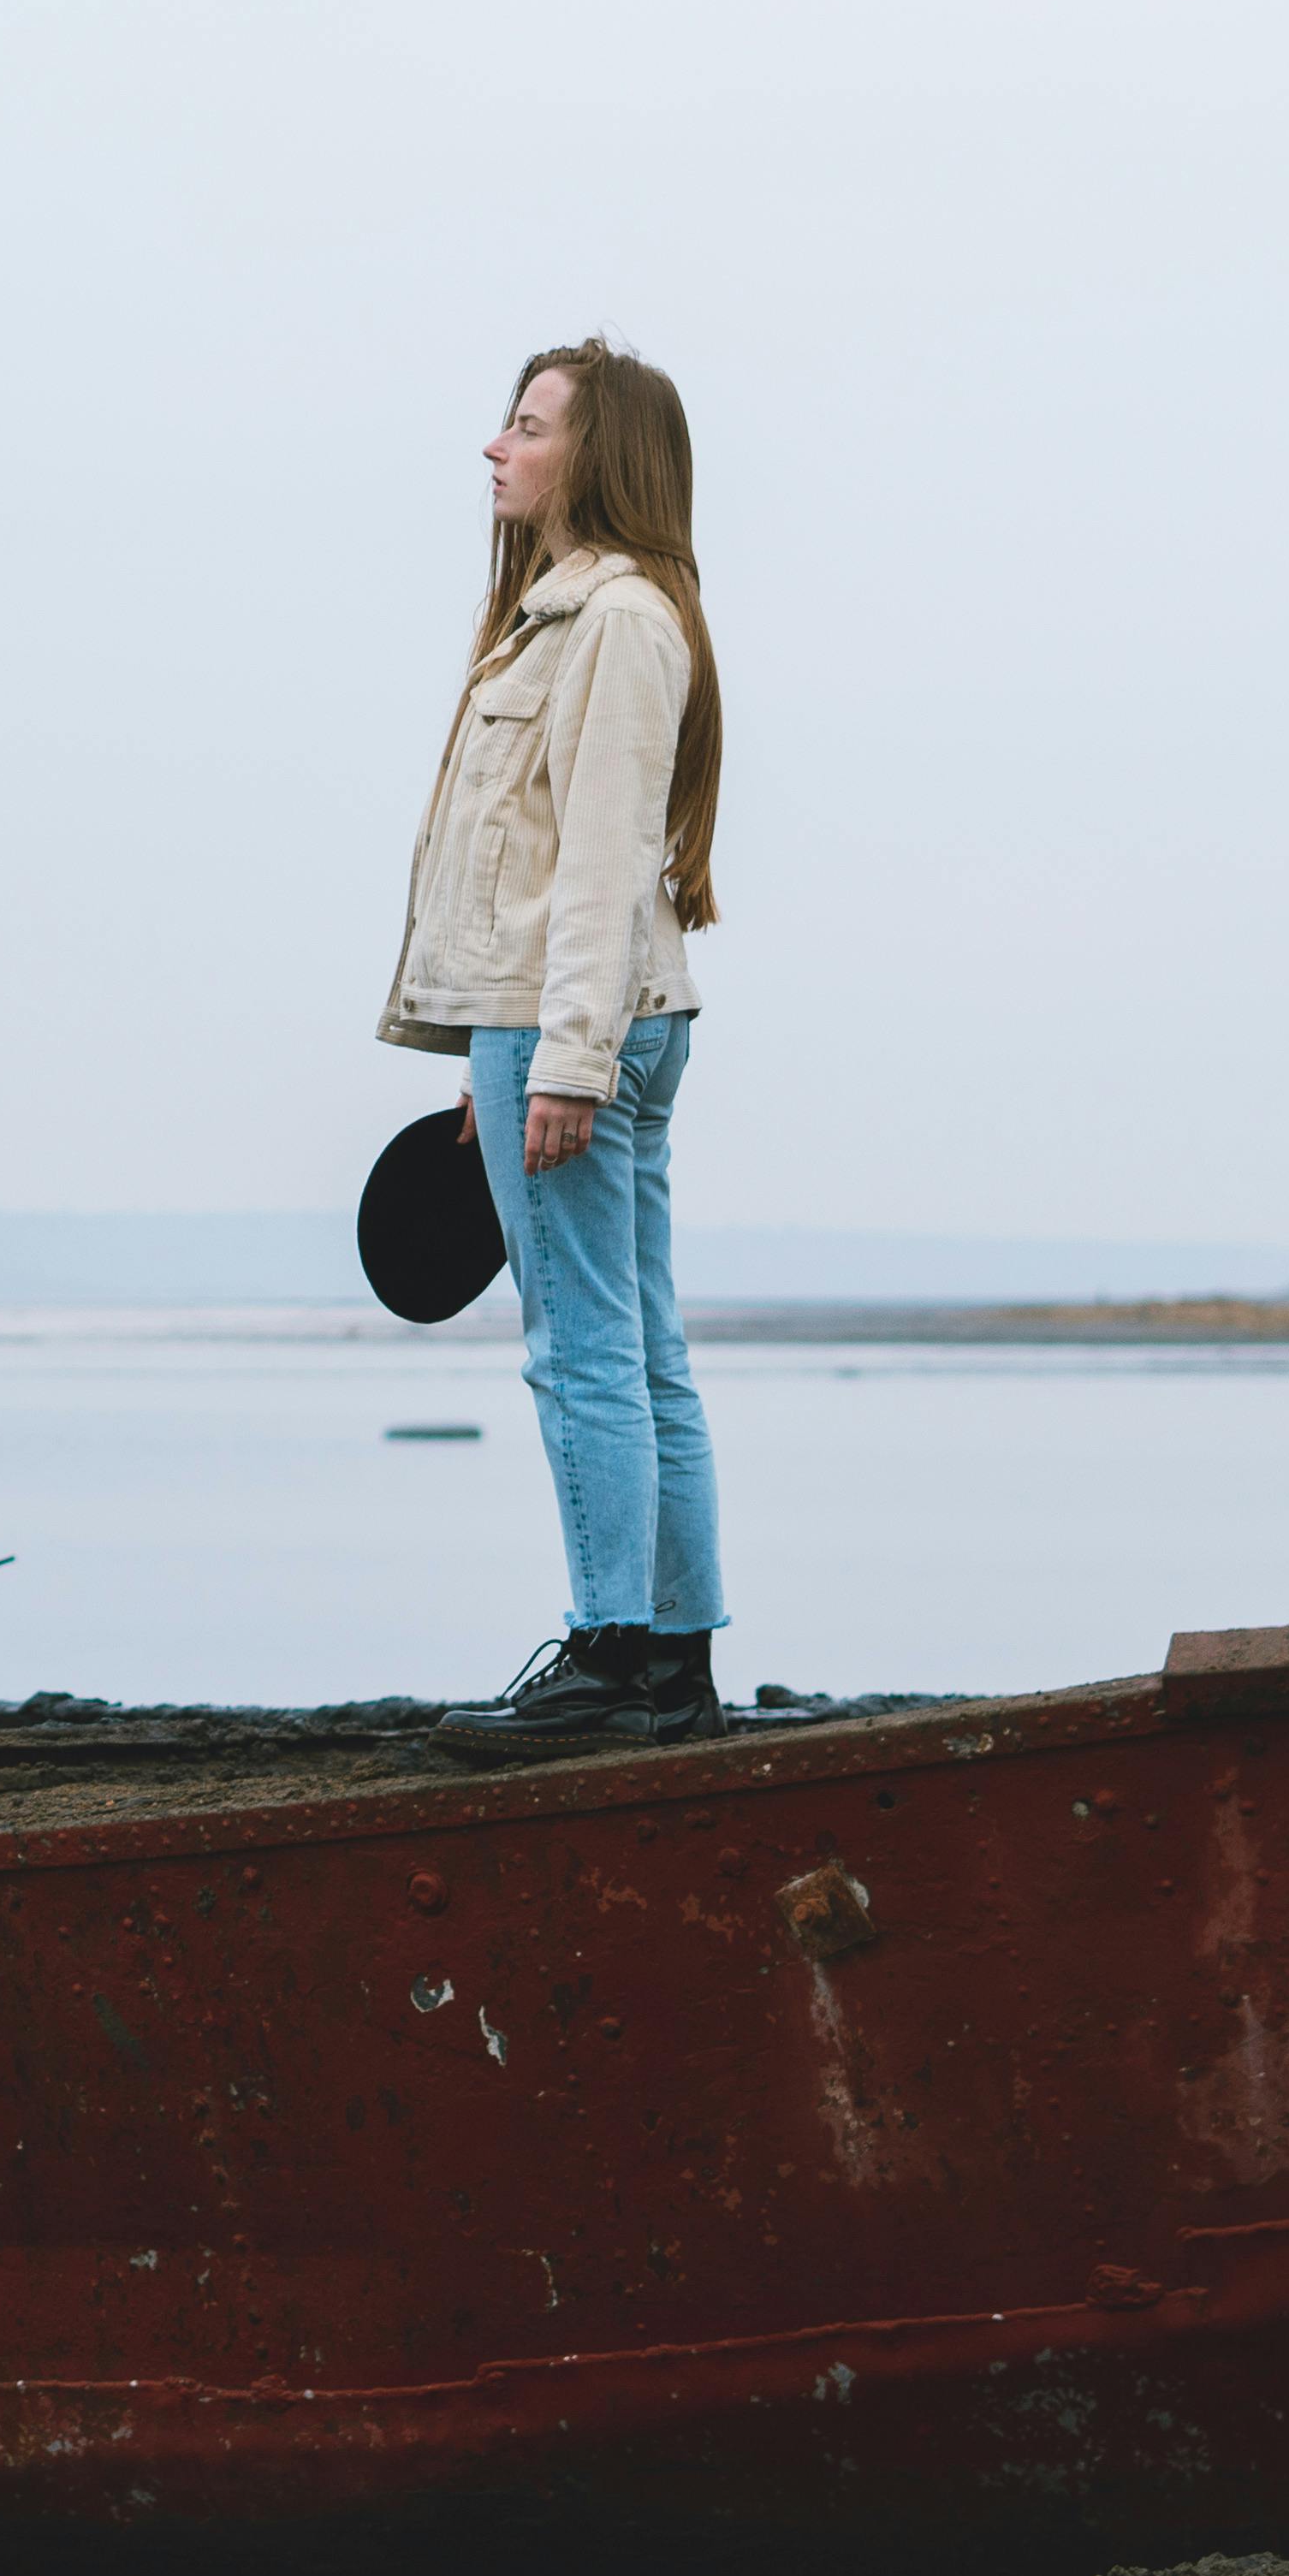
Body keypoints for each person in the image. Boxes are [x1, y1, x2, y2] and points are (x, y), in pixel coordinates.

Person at [377, 336, 726, 1737]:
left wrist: (564, 1058)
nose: (495, 448)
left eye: (526, 425)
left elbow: (598, 860)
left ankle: (612, 1658)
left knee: (584, 1346)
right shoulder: (575, 618)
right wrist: (491, 1054)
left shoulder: (616, 623)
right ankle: (674, 1663)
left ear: (594, 454)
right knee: (640, 1346)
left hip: (581, 1023)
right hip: (561, 1020)